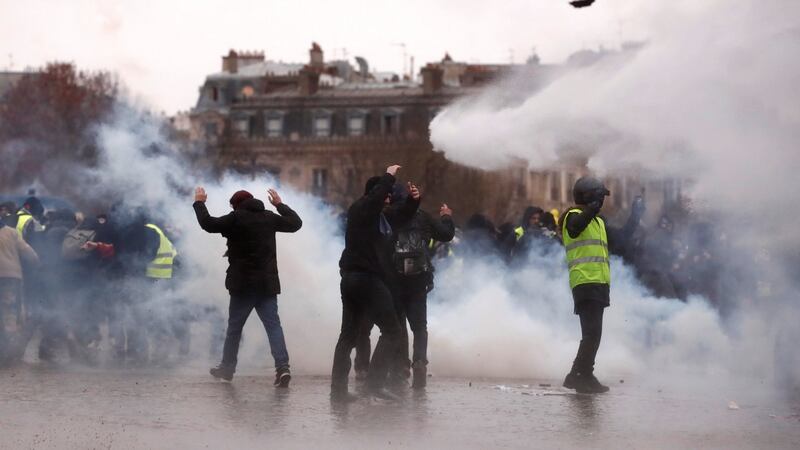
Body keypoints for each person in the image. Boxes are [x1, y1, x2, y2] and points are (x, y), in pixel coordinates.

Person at [194, 187, 302, 387]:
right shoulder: (269, 217)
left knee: (234, 329)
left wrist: (199, 203)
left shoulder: (235, 218)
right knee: (273, 327)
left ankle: (227, 369)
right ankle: (283, 367)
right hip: (267, 285)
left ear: (236, 205)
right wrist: (279, 204)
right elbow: (296, 223)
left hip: (243, 285)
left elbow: (208, 224)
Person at [330, 164, 419, 401]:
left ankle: (338, 392)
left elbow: (401, 215)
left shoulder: (378, 217)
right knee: (392, 330)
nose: (388, 199)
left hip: (354, 279)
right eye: (385, 195)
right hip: (364, 278)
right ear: (374, 194)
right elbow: (378, 197)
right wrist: (389, 175)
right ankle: (374, 384)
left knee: (348, 336)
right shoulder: (362, 209)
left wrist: (413, 201)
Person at [560, 176, 644, 394]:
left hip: (598, 283)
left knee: (594, 334)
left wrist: (635, 216)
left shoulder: (598, 222)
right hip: (585, 281)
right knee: (591, 334)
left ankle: (584, 374)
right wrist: (592, 208)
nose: (602, 202)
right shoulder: (573, 215)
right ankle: (577, 375)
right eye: (599, 197)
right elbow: (576, 228)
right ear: (588, 197)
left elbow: (621, 239)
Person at [387, 186, 455, 388]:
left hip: (395, 279)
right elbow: (446, 234)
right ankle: (419, 363)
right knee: (419, 326)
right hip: (418, 279)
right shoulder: (422, 217)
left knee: (398, 325)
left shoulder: (389, 217)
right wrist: (446, 217)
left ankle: (401, 365)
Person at [0, 216, 39, 365]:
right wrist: (36, 263)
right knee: (10, 313)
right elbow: (28, 252)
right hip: (11, 278)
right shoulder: (11, 232)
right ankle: (9, 355)